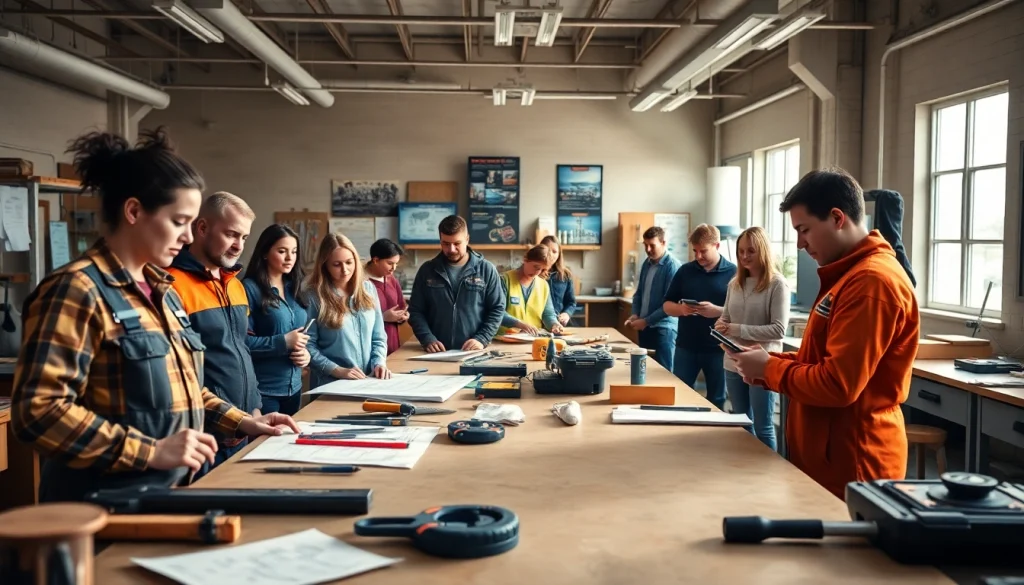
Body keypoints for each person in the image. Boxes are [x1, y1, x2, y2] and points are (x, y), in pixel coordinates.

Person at [10, 128, 297, 503]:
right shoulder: (77, 291)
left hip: (164, 494)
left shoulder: (160, 290)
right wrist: (149, 451)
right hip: (102, 504)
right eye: (179, 222)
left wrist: (242, 421)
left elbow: (183, 390)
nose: (188, 237)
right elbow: (38, 412)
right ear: (133, 211)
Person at [727, 168, 919, 500]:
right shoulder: (848, 276)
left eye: (804, 230)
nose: (800, 244)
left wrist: (770, 369)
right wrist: (767, 360)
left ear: (836, 218)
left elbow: (838, 384)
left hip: (853, 462)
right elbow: (820, 359)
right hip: (829, 455)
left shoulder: (870, 284)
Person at [167, 191, 261, 476]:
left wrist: (255, 407)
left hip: (246, 426)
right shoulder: (171, 284)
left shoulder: (235, 284)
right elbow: (183, 374)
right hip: (204, 437)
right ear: (202, 227)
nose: (238, 246)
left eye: (244, 238)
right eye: (232, 234)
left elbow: (242, 350)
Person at [714, 226, 790, 451]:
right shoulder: (734, 283)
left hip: (762, 364)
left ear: (763, 251)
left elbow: (778, 330)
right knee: (740, 422)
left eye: (751, 251)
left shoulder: (777, 284)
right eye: (741, 251)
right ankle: (743, 473)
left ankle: (769, 475)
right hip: (733, 363)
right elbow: (725, 317)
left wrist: (735, 329)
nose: (744, 256)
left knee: (763, 425)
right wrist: (720, 325)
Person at [662, 224, 737, 410]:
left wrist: (718, 311)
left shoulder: (735, 273)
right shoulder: (685, 271)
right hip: (685, 347)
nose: (698, 256)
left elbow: (742, 312)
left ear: (717, 246)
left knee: (717, 400)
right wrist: (682, 310)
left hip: (718, 349)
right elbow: (666, 306)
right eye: (695, 251)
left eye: (703, 251)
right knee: (680, 398)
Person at [408, 215, 504, 352]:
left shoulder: (486, 270)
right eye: (446, 244)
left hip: (473, 352)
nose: (451, 249)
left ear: (467, 239)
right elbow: (416, 311)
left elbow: (497, 308)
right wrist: (427, 338)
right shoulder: (427, 270)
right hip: (436, 353)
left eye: (457, 243)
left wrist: (482, 338)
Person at [241, 224, 310, 416]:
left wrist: (306, 355)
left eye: (294, 252)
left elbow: (302, 335)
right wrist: (283, 342)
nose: (290, 258)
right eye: (282, 251)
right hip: (264, 391)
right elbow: (242, 344)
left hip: (295, 387)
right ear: (264, 252)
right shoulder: (249, 288)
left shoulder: (294, 287)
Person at [306, 233, 390, 388]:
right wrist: (337, 370)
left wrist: (379, 363)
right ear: (325, 265)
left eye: (349, 262)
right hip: (331, 384)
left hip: (369, 381)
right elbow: (307, 346)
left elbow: (378, 336)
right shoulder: (313, 297)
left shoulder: (368, 289)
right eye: (336, 264)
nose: (345, 270)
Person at [626, 227, 682, 372]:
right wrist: (635, 314)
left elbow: (669, 305)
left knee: (663, 373)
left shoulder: (673, 266)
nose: (648, 249)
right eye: (645, 245)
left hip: (663, 329)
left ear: (663, 243)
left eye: (652, 245)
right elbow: (639, 293)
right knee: (645, 371)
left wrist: (645, 321)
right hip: (645, 327)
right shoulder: (647, 263)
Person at [496, 245, 564, 336]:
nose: (537, 272)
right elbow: (497, 312)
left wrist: (554, 324)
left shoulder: (543, 285)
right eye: (536, 267)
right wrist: (520, 324)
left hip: (533, 340)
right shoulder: (505, 280)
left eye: (542, 269)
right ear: (525, 259)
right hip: (505, 338)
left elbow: (548, 314)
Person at [365, 238, 409, 355]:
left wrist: (402, 316)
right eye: (389, 263)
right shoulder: (361, 282)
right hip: (370, 347)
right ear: (375, 260)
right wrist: (383, 317)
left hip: (392, 344)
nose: (393, 268)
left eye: (396, 263)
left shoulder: (391, 279)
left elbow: (401, 306)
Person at [540, 235, 577, 327]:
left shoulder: (566, 275)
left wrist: (566, 314)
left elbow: (571, 302)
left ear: (559, 254)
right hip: (537, 324)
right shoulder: (534, 274)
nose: (551, 255)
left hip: (559, 324)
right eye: (547, 251)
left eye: (554, 252)